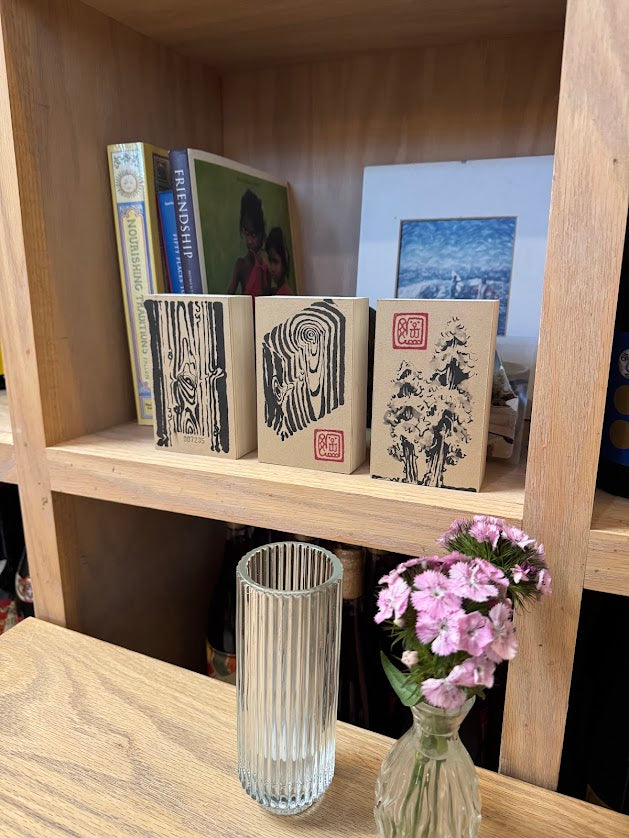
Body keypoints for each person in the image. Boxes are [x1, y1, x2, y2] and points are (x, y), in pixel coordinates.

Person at [227, 189, 270, 296]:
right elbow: (229, 296)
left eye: (254, 234)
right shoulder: (241, 264)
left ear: (261, 233)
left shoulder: (266, 268)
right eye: (246, 233)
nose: (249, 241)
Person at [266, 227, 292, 295]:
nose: (272, 268)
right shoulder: (277, 291)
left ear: (284, 261)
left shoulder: (285, 293)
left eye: (276, 262)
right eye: (270, 261)